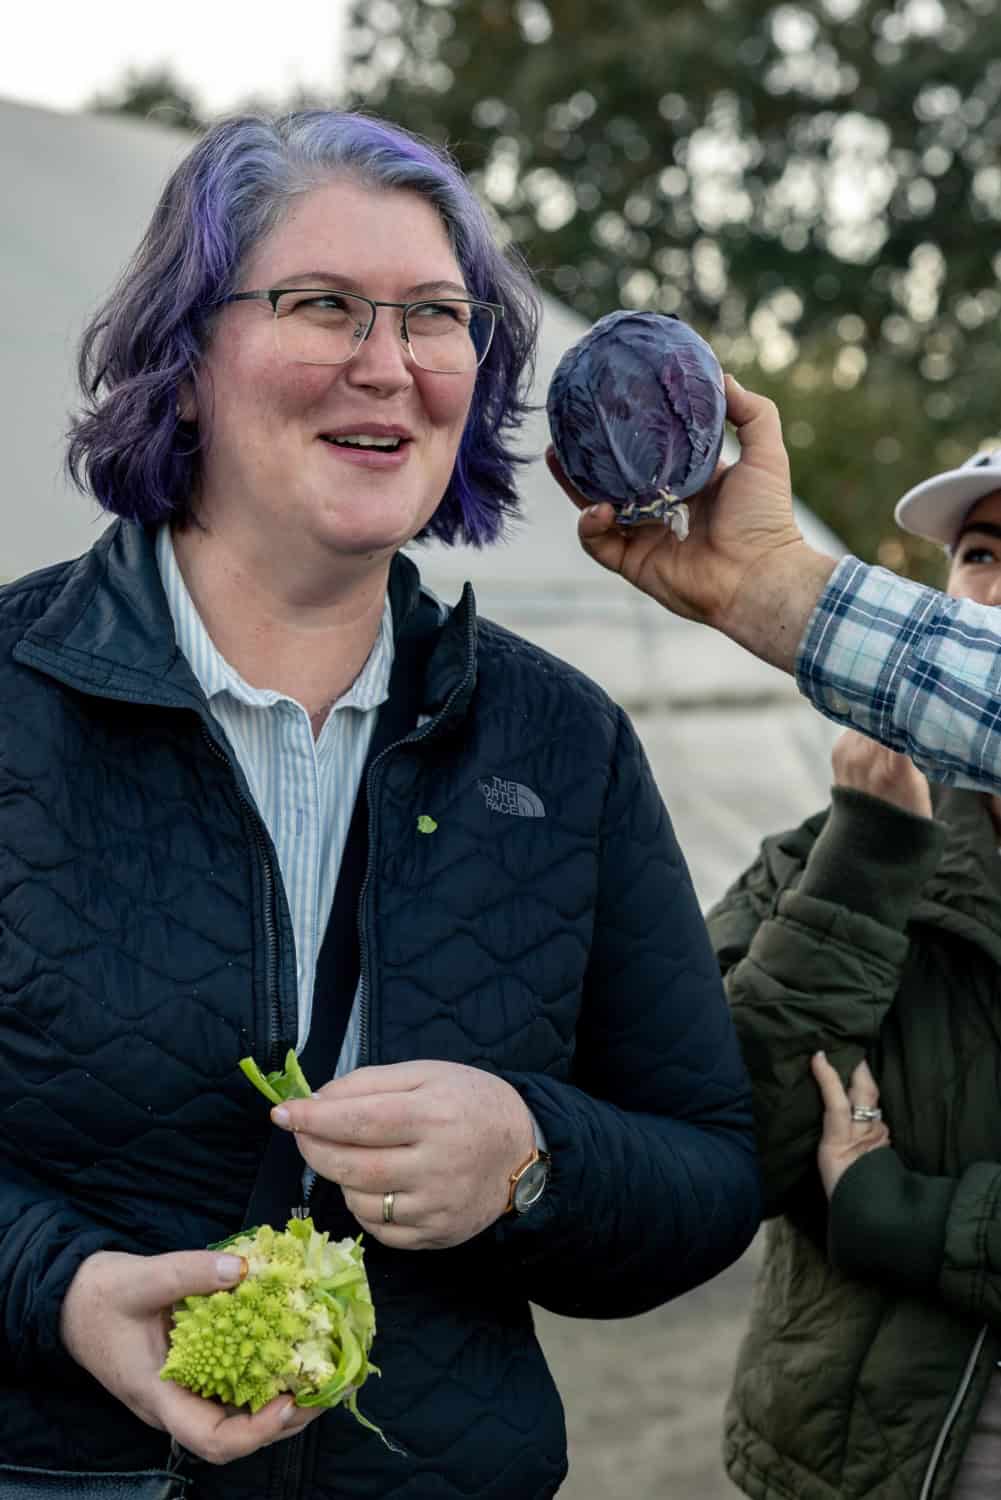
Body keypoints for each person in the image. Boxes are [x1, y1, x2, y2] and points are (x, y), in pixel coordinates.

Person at [0, 111, 760, 1499]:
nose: (389, 364)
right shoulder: (10, 699)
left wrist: (532, 1159)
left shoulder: (558, 740)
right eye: (321, 305)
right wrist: (61, 1286)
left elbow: (708, 1172)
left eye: (436, 316)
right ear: (181, 367)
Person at [701, 462, 1001, 1500]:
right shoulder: (814, 859)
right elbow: (716, 1144)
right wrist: (866, 857)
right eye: (979, 557)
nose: (996, 594)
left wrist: (894, 1216)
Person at [547, 388, 1001, 791]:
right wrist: (862, 848)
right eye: (980, 556)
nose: (998, 589)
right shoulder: (866, 798)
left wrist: (772, 580)